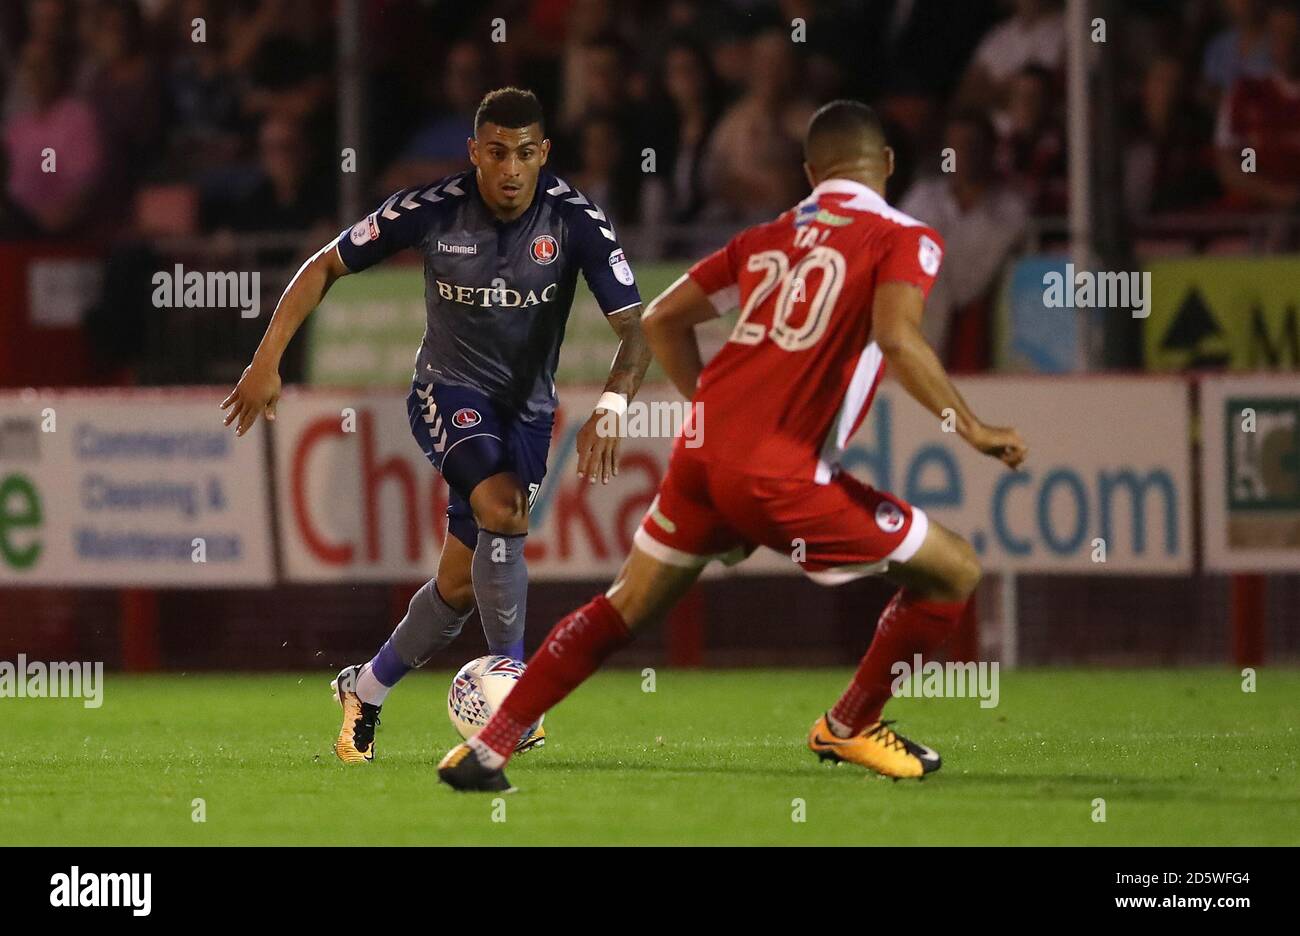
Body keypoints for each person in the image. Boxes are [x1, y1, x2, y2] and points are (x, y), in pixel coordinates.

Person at [437, 100, 1028, 793]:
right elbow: (899, 338)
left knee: (622, 607)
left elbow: (661, 319)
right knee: (954, 572)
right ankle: (849, 724)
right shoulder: (903, 236)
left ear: (811, 173)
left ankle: (491, 748)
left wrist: (713, 418)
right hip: (781, 471)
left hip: (703, 455)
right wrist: (975, 428)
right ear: (888, 166)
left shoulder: (767, 238)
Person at [219, 88, 650, 764]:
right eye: (498, 153)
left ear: (545, 155)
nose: (512, 169)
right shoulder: (432, 209)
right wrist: (265, 361)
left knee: (455, 587)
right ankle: (514, 697)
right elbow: (326, 262)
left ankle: (364, 689)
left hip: (528, 415)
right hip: (445, 392)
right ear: (474, 152)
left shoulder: (576, 221)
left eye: (526, 154)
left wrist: (612, 406)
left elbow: (637, 333)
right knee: (505, 510)